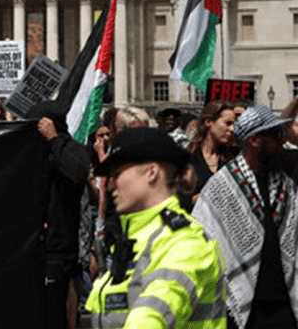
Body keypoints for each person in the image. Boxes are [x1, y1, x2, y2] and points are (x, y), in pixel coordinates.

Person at [87, 127, 226, 328]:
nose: (110, 184)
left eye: (117, 173)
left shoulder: (185, 242)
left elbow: (152, 316)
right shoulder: (134, 239)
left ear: (151, 172)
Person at [194, 105, 298, 328]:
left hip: (286, 307)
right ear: (254, 140)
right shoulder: (221, 186)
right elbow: (202, 239)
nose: (281, 142)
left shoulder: (287, 183)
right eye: (275, 135)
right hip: (244, 310)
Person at [29, 101, 92, 329]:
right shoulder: (33, 152)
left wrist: (54, 139)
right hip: (32, 249)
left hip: (59, 250)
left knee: (57, 314)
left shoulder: (71, 149)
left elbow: (76, 172)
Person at [189, 102, 238, 196]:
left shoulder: (233, 158)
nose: (232, 129)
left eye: (234, 124)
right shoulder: (189, 158)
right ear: (208, 122)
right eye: (228, 123)